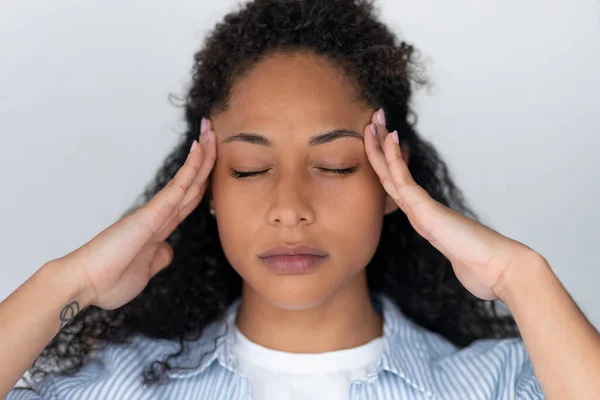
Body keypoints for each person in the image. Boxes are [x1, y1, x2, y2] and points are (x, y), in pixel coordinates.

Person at [1, 0, 599, 398]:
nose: (290, 207)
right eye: (250, 168)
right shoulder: (120, 387)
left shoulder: (498, 383)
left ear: (394, 185)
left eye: (335, 165)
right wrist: (69, 282)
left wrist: (521, 274)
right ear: (204, 187)